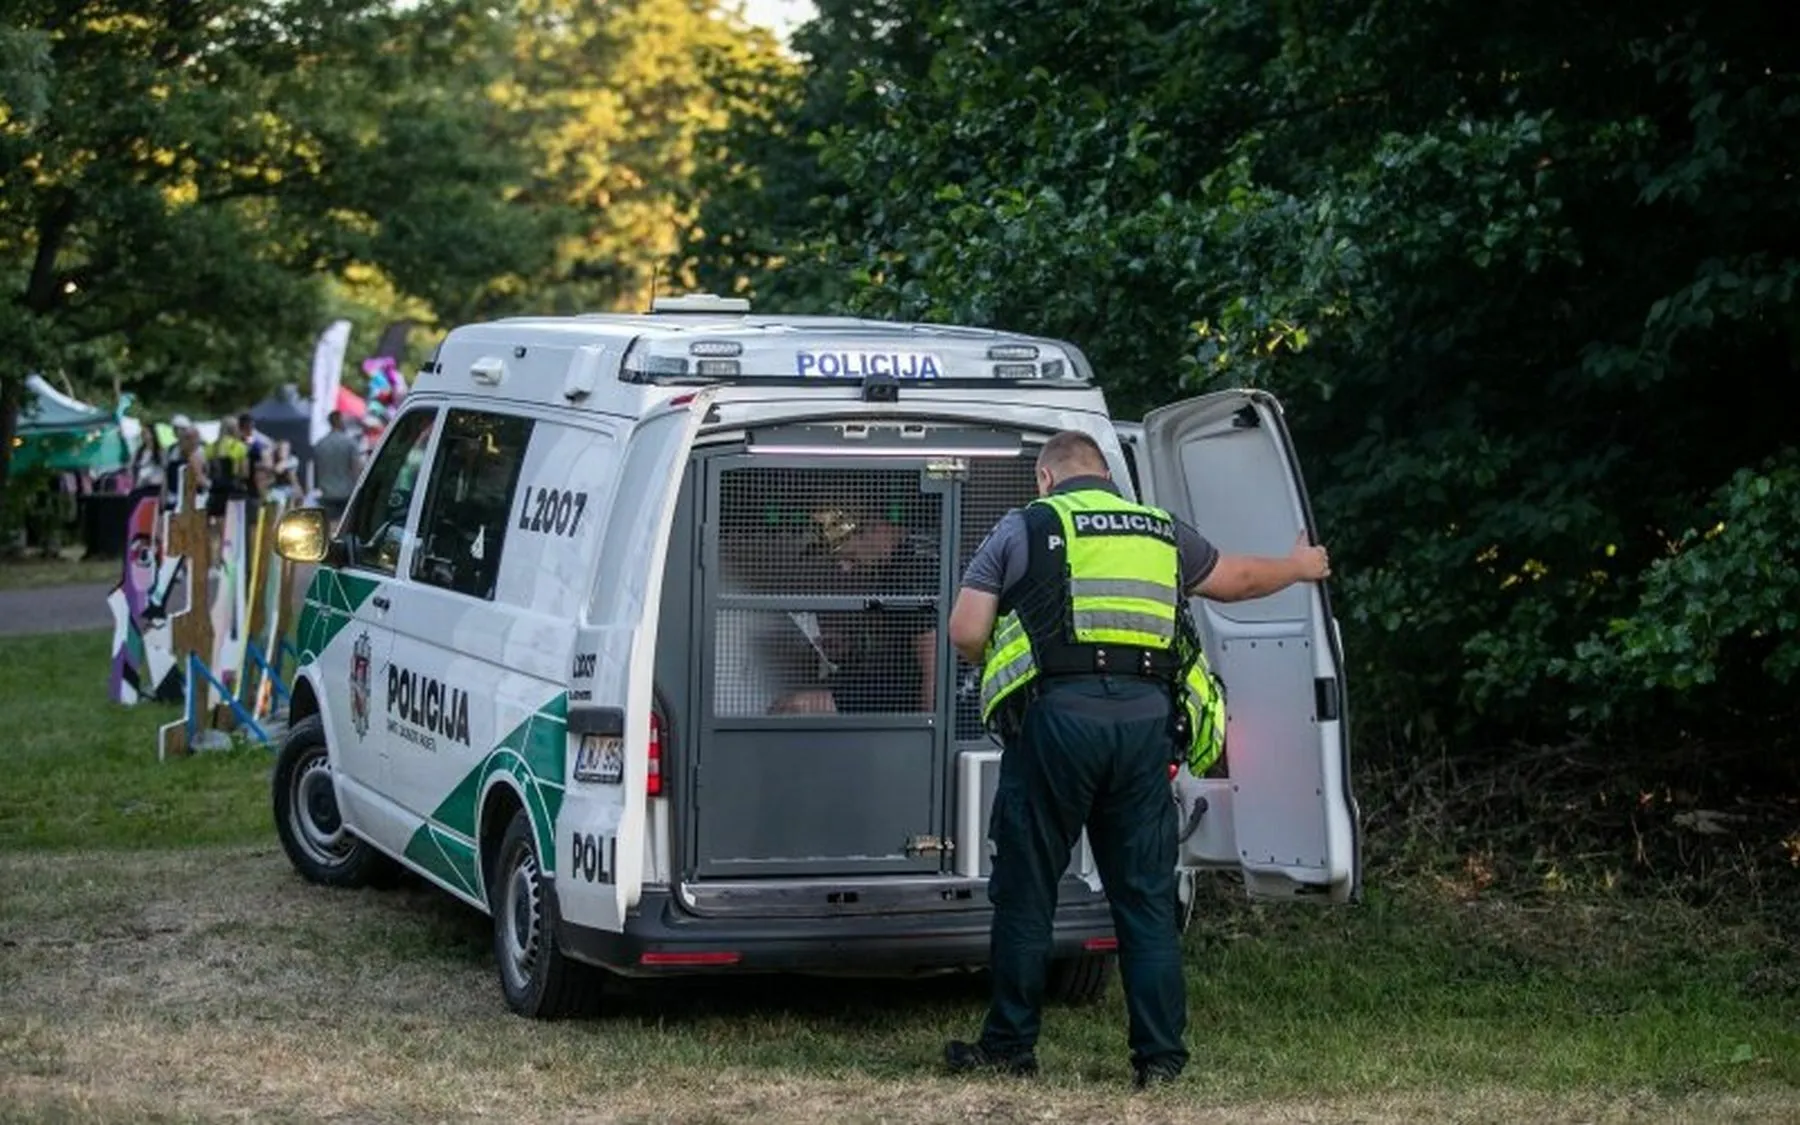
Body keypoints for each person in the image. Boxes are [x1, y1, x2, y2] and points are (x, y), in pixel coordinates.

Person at [941, 430, 1331, 1088]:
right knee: (1144, 896)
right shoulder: (1160, 529)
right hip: (1146, 724)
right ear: (1105, 475)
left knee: (1028, 888)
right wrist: (1299, 567)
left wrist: (1004, 662)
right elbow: (1233, 580)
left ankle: (1010, 1047)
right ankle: (1160, 1060)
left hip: (1056, 724)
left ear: (1046, 478)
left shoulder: (1024, 526)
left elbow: (966, 630)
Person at [311, 410, 362, 523]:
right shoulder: (350, 443)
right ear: (339, 421)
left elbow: (316, 470)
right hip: (346, 494)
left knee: (328, 526)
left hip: (326, 493)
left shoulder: (320, 444)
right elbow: (356, 468)